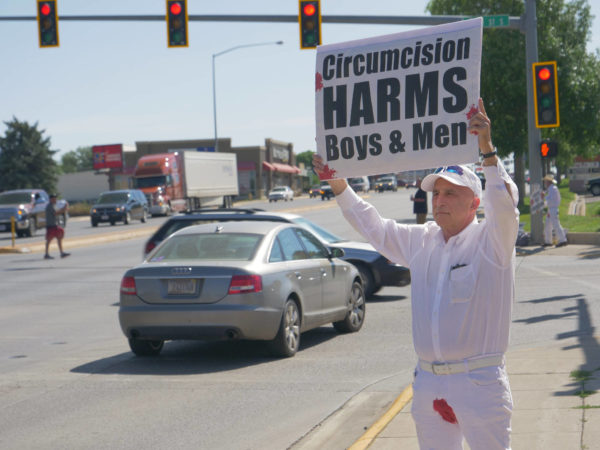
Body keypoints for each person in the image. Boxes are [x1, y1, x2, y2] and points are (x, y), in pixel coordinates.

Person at [313, 98, 519, 449]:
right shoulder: (421, 241)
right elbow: (374, 227)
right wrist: (339, 185)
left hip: (479, 384)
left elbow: (504, 203)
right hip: (428, 383)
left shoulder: (493, 242)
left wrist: (487, 150)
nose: (439, 199)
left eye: (450, 192)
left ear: (475, 202)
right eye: (436, 192)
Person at [542, 174, 568, 247]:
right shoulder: (551, 189)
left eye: (545, 182)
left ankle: (563, 240)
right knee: (548, 226)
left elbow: (550, 200)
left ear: (548, 182)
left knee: (556, 225)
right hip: (551, 209)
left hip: (553, 209)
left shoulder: (553, 189)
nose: (545, 183)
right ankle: (548, 241)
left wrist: (543, 199)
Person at [44, 194, 70, 260]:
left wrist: (64, 209)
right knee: (49, 240)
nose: (55, 200)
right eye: (54, 199)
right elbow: (56, 213)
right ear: (50, 199)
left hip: (55, 225)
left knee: (59, 237)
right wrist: (64, 208)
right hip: (51, 226)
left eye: (55, 198)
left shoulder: (53, 206)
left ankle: (61, 253)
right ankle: (46, 254)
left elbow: (58, 212)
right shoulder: (49, 206)